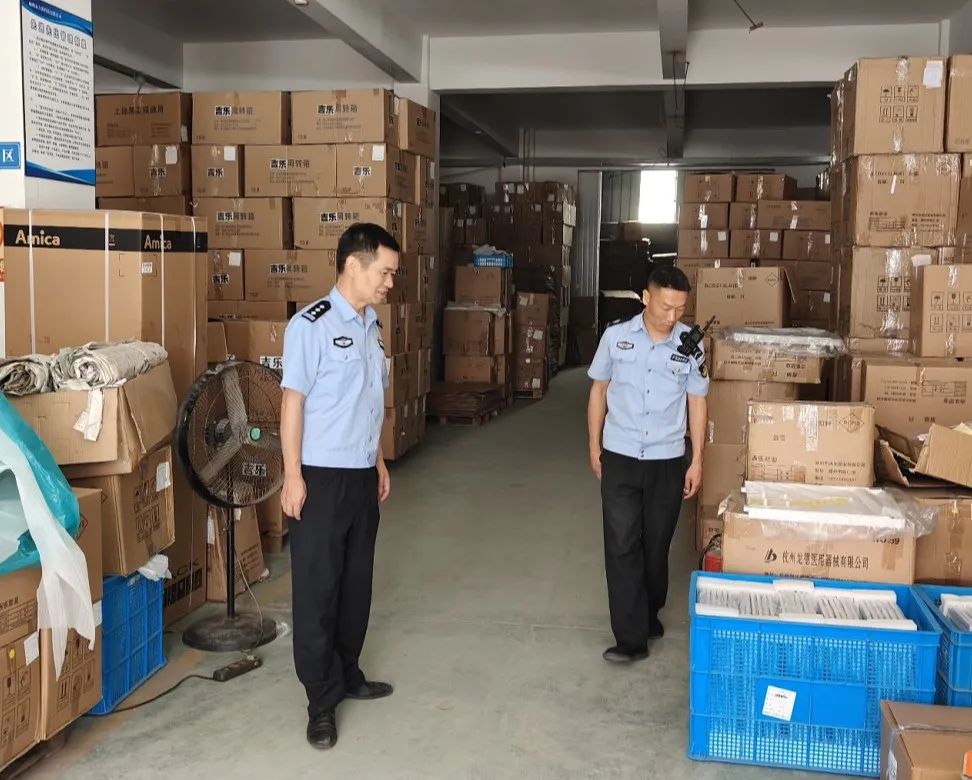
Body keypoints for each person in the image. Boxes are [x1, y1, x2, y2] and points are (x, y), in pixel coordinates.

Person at [279, 223, 400, 749]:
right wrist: (292, 475)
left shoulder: (373, 325)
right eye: (385, 272)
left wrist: (378, 461)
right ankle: (320, 701)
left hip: (360, 475)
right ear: (354, 264)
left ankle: (348, 672)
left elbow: (367, 401)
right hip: (321, 478)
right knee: (318, 589)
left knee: (355, 586)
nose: (390, 283)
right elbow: (293, 403)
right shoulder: (311, 325)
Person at [586, 265, 709, 663]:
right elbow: (599, 390)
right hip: (620, 455)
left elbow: (697, 401)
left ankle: (649, 612)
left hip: (666, 460)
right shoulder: (615, 336)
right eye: (665, 306)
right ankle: (630, 638)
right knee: (622, 544)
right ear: (646, 297)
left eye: (680, 308)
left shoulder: (691, 345)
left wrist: (697, 460)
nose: (672, 316)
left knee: (656, 547)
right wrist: (593, 445)